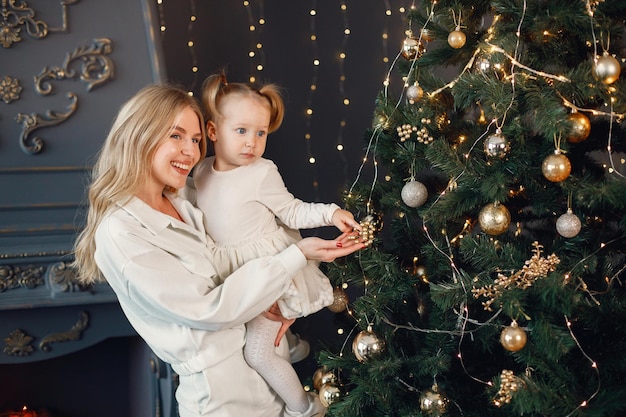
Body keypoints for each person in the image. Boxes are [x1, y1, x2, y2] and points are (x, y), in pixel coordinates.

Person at [71, 83, 365, 417]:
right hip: (223, 398)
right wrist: (296, 257)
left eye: (195, 140)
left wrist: (288, 299)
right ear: (140, 135)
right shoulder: (122, 231)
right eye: (176, 136)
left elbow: (266, 225)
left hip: (266, 370)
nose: (190, 151)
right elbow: (210, 309)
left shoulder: (183, 199)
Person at [183, 72, 360, 417]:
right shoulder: (201, 172)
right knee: (255, 335)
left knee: (258, 354)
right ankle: (294, 348)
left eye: (260, 133)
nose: (252, 142)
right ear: (213, 131)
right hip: (235, 275)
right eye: (242, 131)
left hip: (272, 270)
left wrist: (331, 212)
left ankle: (304, 408)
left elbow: (292, 211)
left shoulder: (262, 172)